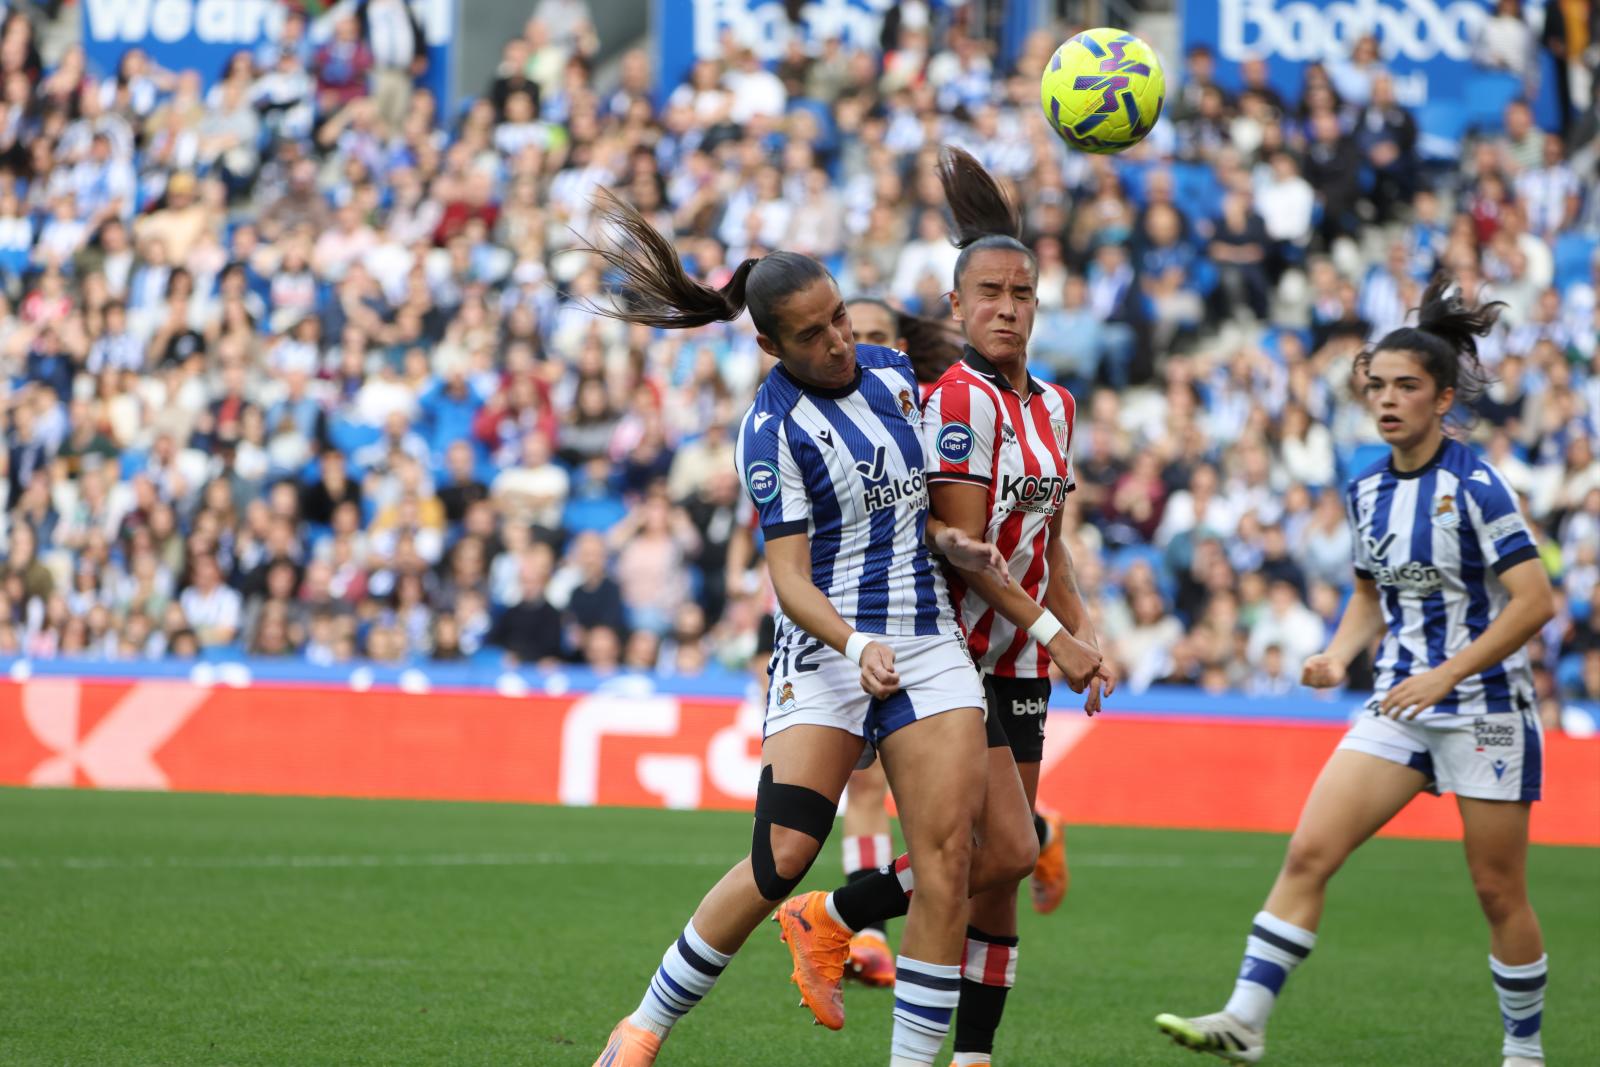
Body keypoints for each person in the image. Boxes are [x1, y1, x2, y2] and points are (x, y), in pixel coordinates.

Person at [583, 190, 1015, 1067]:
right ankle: (641, 1029)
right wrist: (856, 646)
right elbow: (788, 579)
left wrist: (953, 542)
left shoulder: (896, 375)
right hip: (826, 651)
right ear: (769, 344)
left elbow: (923, 504)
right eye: (813, 334)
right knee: (782, 855)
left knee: (944, 860)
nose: (837, 342)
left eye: (839, 321)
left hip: (928, 643)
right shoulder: (770, 431)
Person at [1156, 276, 1557, 1067]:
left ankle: (1524, 1051)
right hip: (1398, 702)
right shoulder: (1367, 488)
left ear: (1443, 399)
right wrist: (1339, 653)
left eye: (1407, 386)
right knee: (1309, 853)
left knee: (1497, 890)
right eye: (1376, 385)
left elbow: (1534, 602)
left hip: (1482, 708)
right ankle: (1245, 1018)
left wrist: (1446, 675)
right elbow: (1368, 597)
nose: (1387, 399)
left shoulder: (1476, 485)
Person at [779, 148, 1113, 1067]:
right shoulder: (957, 403)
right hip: (958, 656)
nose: (1009, 309)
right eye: (991, 295)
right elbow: (964, 551)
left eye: (1024, 293)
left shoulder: (1055, 404)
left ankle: (970, 1054)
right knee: (995, 852)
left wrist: (1084, 630)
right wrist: (1057, 632)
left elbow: (1048, 538)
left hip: (1027, 661)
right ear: (958, 309)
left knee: (999, 877)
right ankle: (829, 912)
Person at [825, 293, 969, 990]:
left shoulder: (933, 412)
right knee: (864, 778)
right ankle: (866, 932)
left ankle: (1035, 827)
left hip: (939, 623)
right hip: (857, 625)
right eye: (858, 334)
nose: (863, 348)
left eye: (880, 336)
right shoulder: (815, 421)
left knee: (975, 832)